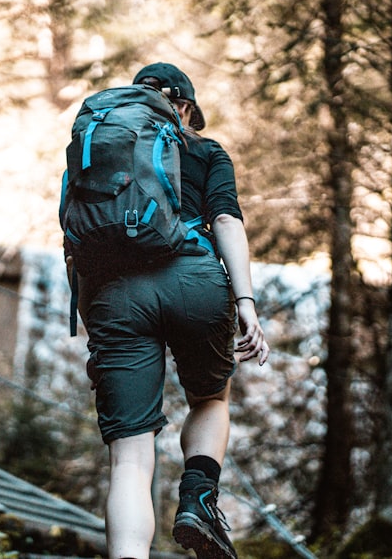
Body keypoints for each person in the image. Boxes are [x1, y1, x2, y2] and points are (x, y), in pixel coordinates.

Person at [70, 62, 270, 559]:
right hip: (196, 281)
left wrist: (88, 310)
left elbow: (76, 233)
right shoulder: (205, 150)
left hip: (115, 295)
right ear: (184, 107)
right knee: (210, 398)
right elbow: (225, 218)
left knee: (131, 459)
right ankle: (198, 496)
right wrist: (246, 302)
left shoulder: (99, 146)